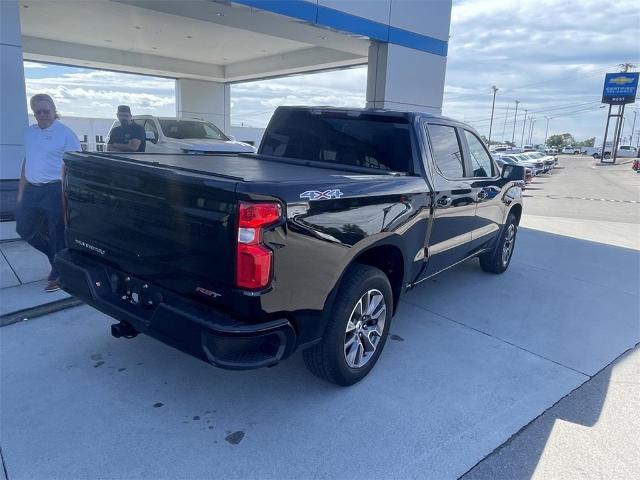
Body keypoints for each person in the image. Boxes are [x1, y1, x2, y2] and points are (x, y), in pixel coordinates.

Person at [16, 93, 80, 292]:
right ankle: (56, 260)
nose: (42, 115)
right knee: (24, 229)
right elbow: (28, 162)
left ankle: (59, 274)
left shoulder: (66, 134)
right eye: (38, 112)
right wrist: (20, 192)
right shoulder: (29, 133)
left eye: (46, 111)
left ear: (54, 110)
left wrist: (67, 195)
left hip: (55, 189)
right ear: (34, 112)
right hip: (32, 190)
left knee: (56, 234)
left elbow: (73, 167)